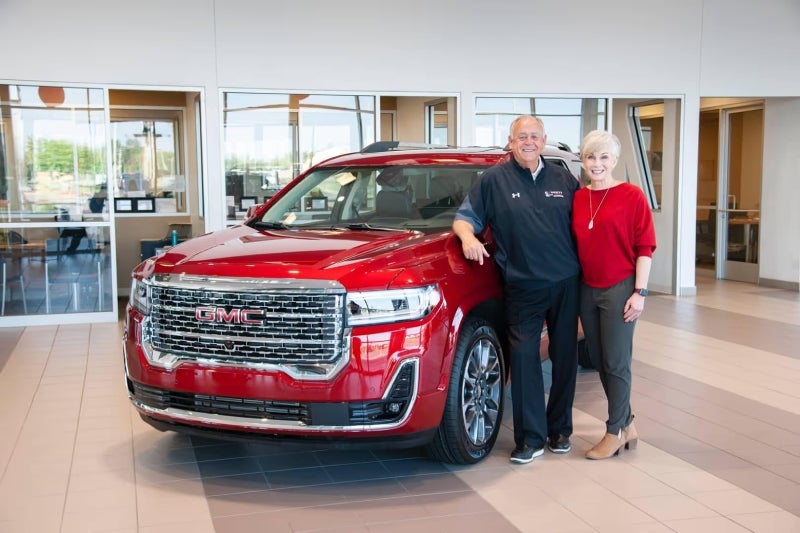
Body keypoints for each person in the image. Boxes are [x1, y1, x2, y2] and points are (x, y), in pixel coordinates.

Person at [452, 115, 580, 464]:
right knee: (524, 361)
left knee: (566, 357)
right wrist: (467, 238)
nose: (528, 142)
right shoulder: (493, 180)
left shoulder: (563, 177)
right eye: (521, 136)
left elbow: (586, 225)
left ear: (544, 140)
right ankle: (531, 439)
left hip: (567, 281)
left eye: (534, 136)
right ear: (510, 141)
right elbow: (465, 218)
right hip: (523, 284)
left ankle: (560, 430)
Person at [571, 130, 657, 460]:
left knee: (616, 361)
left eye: (604, 157)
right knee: (599, 359)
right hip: (587, 288)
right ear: (583, 160)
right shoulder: (579, 198)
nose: (597, 163)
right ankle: (627, 423)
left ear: (615, 161)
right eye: (591, 157)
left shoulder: (632, 196)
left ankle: (614, 430)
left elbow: (644, 247)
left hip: (621, 287)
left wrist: (640, 292)